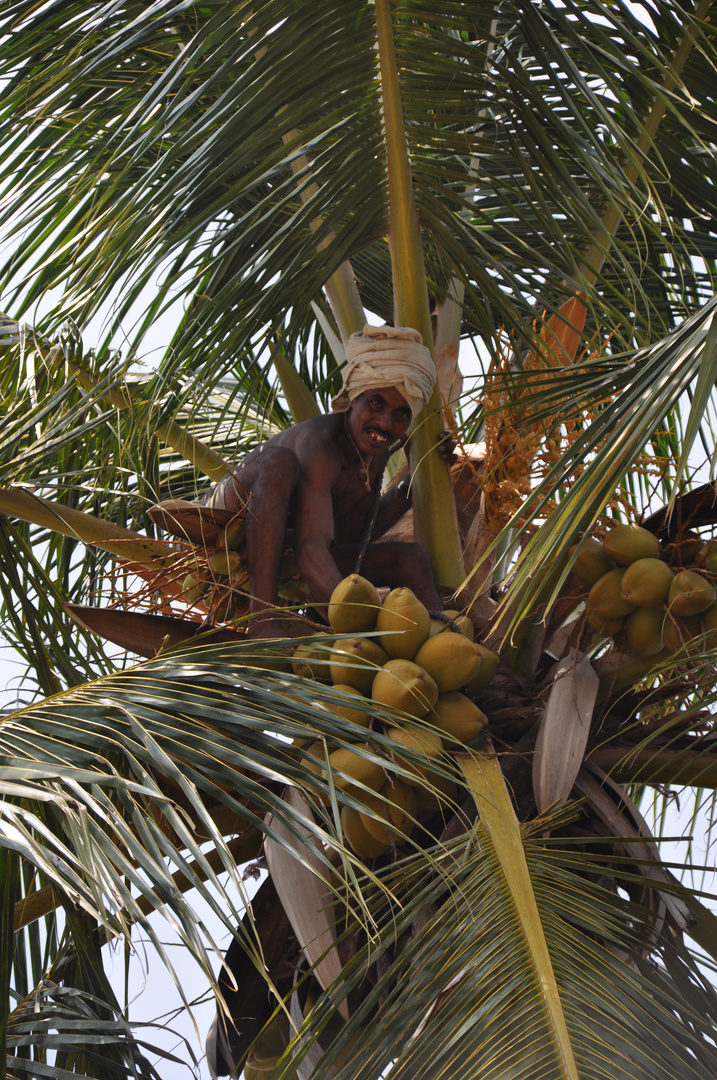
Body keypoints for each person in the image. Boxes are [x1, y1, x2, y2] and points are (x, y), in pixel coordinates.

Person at [153, 325, 452, 637]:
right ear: (353, 398)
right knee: (279, 463)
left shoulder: (372, 454)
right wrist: (359, 615)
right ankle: (263, 621)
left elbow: (358, 533)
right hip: (234, 529)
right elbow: (310, 549)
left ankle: (442, 636)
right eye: (376, 404)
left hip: (292, 555)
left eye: (401, 415)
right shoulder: (320, 446)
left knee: (412, 558)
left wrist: (422, 468)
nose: (385, 422)